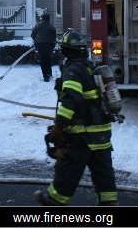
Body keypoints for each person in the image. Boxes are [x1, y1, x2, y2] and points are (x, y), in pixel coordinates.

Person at [34, 29, 118, 206]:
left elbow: (72, 100)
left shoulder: (74, 70)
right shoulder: (91, 66)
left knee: (68, 169)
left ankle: (54, 202)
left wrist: (59, 125)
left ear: (66, 50)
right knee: (103, 173)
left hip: (83, 134)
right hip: (102, 133)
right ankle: (109, 205)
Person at [31, 13, 57, 82]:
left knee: (43, 61)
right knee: (48, 59)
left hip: (41, 45)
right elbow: (54, 38)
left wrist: (36, 41)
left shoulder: (38, 26)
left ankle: (46, 77)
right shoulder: (52, 27)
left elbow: (33, 35)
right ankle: (49, 73)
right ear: (49, 19)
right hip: (50, 46)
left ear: (42, 19)